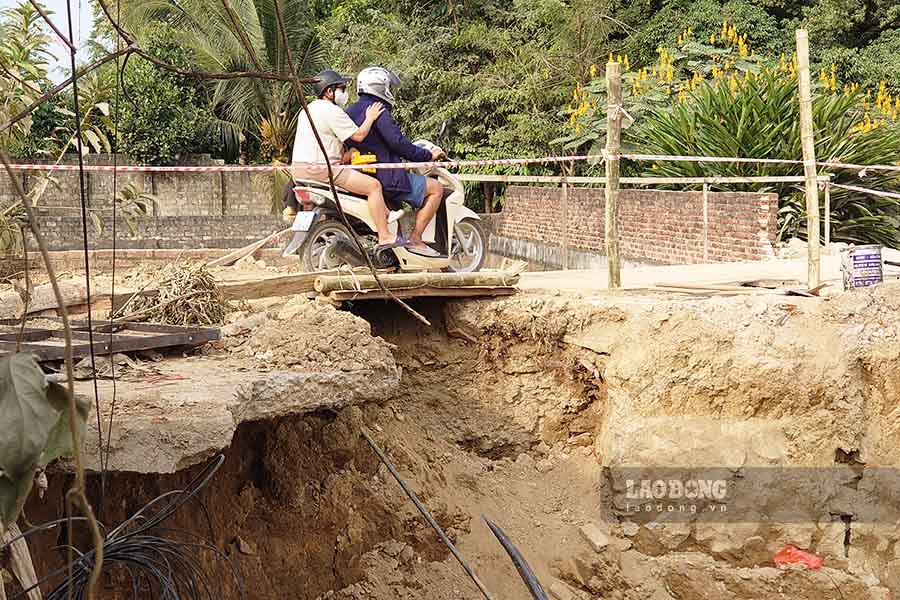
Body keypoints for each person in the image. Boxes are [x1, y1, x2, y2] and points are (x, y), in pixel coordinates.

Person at [291, 69, 405, 249]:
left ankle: (385, 212)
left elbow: (323, 144)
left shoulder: (306, 110)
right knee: (374, 187)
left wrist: (347, 154)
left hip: (300, 171)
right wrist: (370, 118)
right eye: (341, 88)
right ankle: (384, 236)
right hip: (323, 171)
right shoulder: (331, 110)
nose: (344, 93)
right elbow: (359, 136)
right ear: (329, 91)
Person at [345, 67, 445, 256]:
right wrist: (427, 155)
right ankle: (416, 239)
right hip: (387, 177)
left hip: (360, 175)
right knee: (436, 189)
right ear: (380, 87)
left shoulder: (349, 111)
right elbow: (397, 143)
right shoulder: (378, 110)